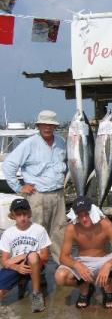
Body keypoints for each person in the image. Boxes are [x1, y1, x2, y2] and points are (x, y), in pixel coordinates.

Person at [2, 110, 67, 264]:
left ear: (55, 126)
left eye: (50, 124)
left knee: (59, 231)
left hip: (58, 194)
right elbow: (9, 164)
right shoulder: (29, 143)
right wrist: (19, 187)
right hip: (37, 195)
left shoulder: (61, 142)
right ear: (38, 126)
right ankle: (37, 269)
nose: (47, 127)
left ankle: (62, 265)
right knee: (36, 233)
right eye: (44, 124)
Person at [55, 196, 112, 309]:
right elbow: (63, 257)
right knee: (60, 277)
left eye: (87, 214)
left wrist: (108, 265)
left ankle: (108, 287)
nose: (84, 219)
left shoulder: (105, 224)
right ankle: (85, 288)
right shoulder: (71, 228)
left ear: (92, 211)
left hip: (104, 258)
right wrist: (77, 265)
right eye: (80, 216)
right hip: (82, 261)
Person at [0, 198, 51, 312]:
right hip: (16, 266)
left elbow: (45, 256)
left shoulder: (39, 230)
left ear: (29, 213)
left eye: (25, 214)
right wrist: (17, 267)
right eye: (18, 215)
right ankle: (21, 280)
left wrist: (25, 256)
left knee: (33, 256)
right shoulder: (8, 233)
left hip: (35, 264)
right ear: (13, 216)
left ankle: (36, 294)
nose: (22, 217)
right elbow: (4, 261)